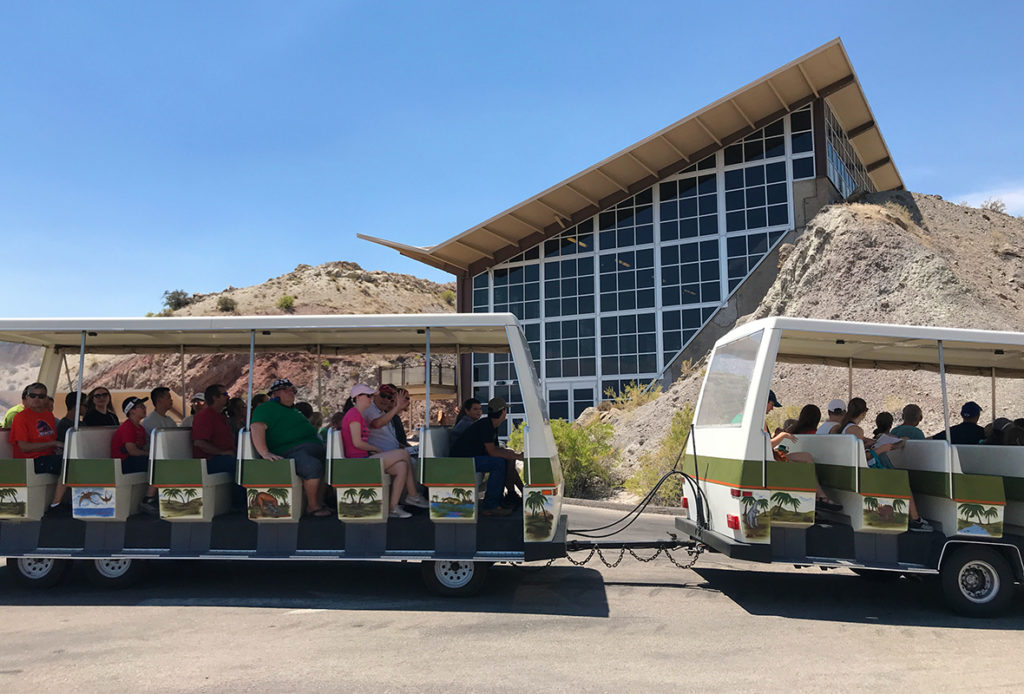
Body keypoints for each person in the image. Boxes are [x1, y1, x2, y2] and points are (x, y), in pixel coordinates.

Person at [831, 397, 932, 532]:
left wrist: (870, 443)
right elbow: (861, 456)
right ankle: (915, 519)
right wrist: (880, 449)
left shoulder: (842, 428)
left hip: (849, 472)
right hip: (864, 473)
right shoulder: (856, 430)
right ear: (864, 413)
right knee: (901, 479)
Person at [341, 384, 427, 518]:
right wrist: (375, 449)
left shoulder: (357, 414)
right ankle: (413, 495)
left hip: (364, 458)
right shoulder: (354, 414)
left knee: (402, 466)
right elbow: (357, 443)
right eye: (368, 396)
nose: (371, 399)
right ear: (357, 397)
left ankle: (393, 508)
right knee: (404, 454)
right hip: (358, 461)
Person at [249, 378, 332, 517]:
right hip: (289, 451)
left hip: (313, 448)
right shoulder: (266, 408)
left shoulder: (293, 411)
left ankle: (321, 502)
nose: (291, 392)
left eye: (292, 390)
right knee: (311, 465)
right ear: (274, 394)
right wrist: (265, 452)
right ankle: (313, 506)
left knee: (333, 464)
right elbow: (256, 427)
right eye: (286, 390)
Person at [449, 397, 521, 517]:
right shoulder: (486, 425)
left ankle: (512, 494)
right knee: (498, 463)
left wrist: (513, 455)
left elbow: (497, 449)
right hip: (461, 461)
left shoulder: (491, 425)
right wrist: (518, 456)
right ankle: (490, 506)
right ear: (503, 412)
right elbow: (493, 452)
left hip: (471, 458)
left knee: (507, 458)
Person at [10, 383, 70, 515]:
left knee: (75, 462)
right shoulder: (20, 418)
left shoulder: (48, 416)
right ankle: (55, 505)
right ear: (27, 397)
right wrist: (54, 444)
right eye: (33, 395)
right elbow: (24, 447)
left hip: (47, 457)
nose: (37, 399)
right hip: (30, 461)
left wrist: (57, 446)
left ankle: (65, 502)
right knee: (68, 465)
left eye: (41, 396)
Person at [191, 384, 245, 509]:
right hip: (209, 461)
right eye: (225, 395)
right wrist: (222, 453)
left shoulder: (220, 416)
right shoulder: (204, 416)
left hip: (224, 457)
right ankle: (240, 505)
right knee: (239, 465)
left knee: (246, 461)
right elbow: (199, 443)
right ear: (215, 397)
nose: (228, 397)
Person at [111, 396, 160, 515]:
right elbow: (132, 450)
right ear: (131, 411)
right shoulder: (128, 427)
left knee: (160, 463)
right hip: (124, 463)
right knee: (158, 465)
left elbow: (141, 448)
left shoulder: (140, 428)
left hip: (133, 460)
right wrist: (151, 455)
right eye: (141, 407)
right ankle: (148, 500)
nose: (144, 408)